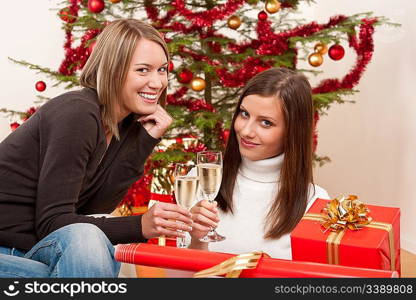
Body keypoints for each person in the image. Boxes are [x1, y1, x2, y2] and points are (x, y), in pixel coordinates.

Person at [0, 19, 193, 278]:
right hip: (9, 248)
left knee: (91, 249)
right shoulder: (78, 113)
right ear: (113, 71)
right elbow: (53, 223)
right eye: (143, 70)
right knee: (83, 247)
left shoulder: (123, 123)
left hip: (34, 249)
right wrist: (141, 225)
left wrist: (145, 140)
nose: (158, 82)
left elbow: (94, 206)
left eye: (162, 70)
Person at [189, 67, 330, 259]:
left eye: (266, 123)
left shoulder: (315, 202)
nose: (246, 131)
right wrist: (197, 241)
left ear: (292, 132)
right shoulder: (201, 180)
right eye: (244, 114)